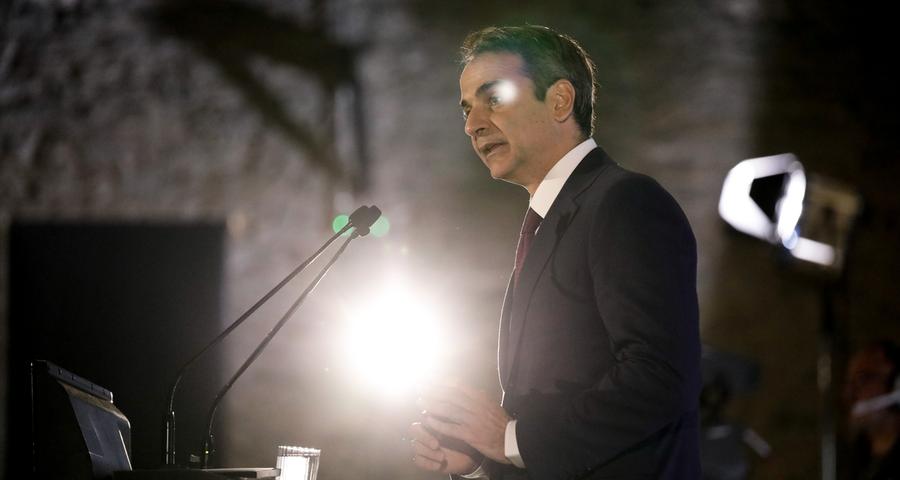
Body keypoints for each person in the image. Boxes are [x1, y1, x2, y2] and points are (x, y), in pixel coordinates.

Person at [408, 25, 701, 479]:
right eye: (466, 109)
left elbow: (659, 375)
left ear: (560, 100)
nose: (472, 125)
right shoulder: (551, 222)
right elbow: (546, 419)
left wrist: (511, 440)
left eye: (494, 98)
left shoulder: (626, 202)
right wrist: (480, 461)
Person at [845, 340, 900, 480]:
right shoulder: (859, 455)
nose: (850, 393)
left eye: (863, 379)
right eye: (850, 383)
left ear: (895, 385)